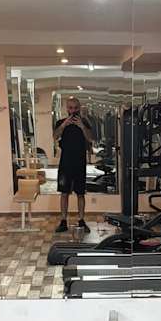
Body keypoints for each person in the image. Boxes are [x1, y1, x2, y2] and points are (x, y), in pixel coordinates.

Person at [53, 96, 93, 233]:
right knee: (64, 193)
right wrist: (64, 125)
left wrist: (82, 126)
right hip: (65, 162)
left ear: (79, 108)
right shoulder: (60, 122)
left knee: (80, 193)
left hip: (80, 162)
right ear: (67, 109)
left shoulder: (85, 122)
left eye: (76, 108)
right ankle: (63, 221)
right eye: (70, 108)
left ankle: (81, 220)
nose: (73, 111)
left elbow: (90, 138)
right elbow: (55, 136)